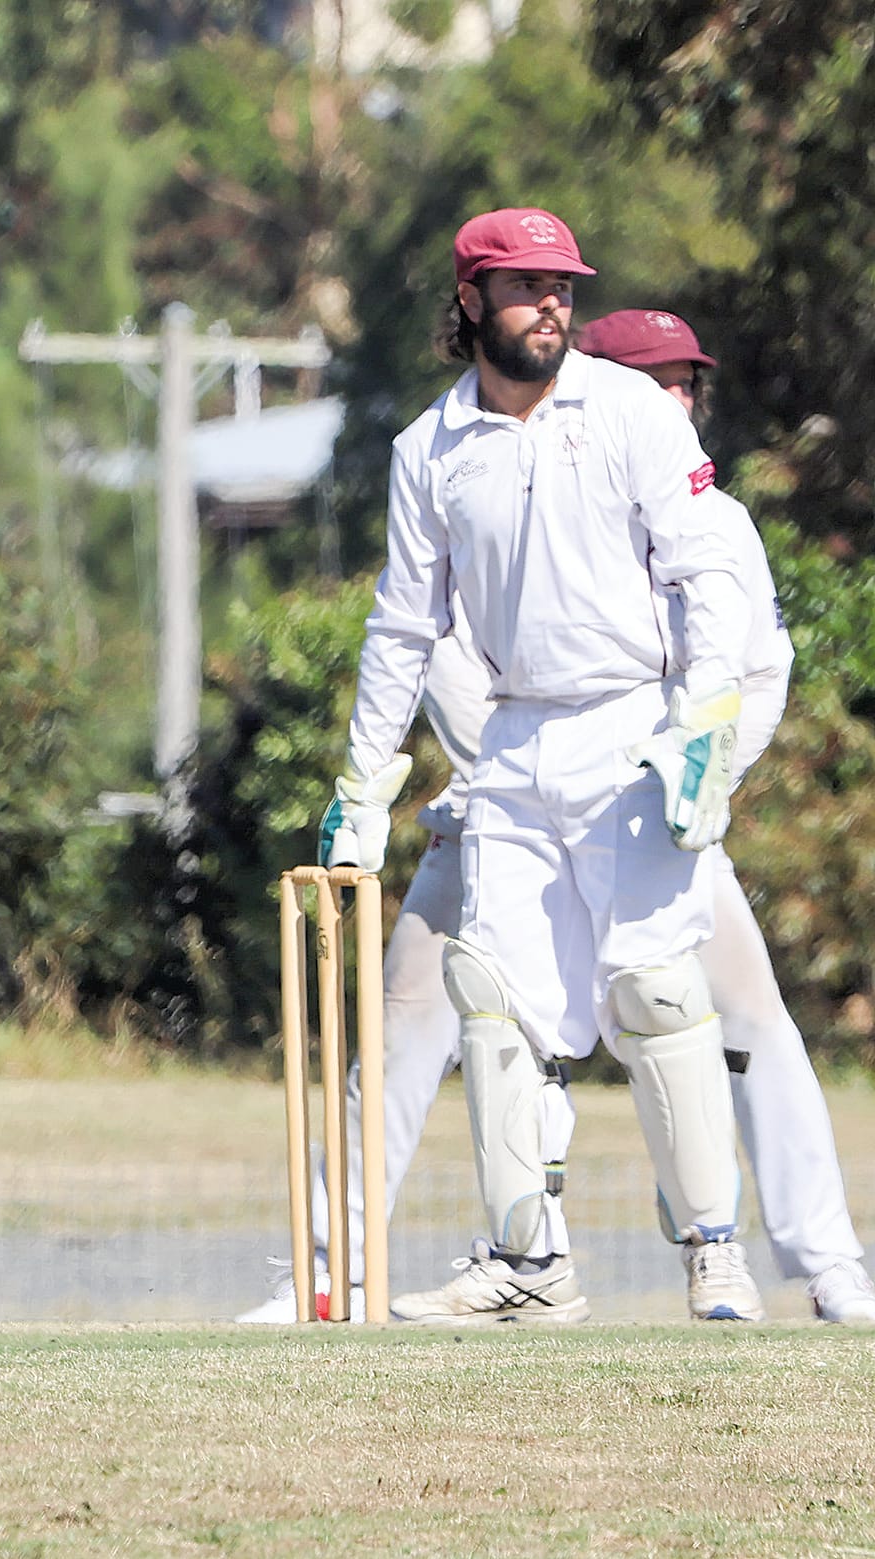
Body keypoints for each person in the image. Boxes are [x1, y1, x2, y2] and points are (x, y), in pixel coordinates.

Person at [241, 307, 875, 1325]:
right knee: (423, 1025)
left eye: (685, 384)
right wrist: (483, 773)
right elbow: (432, 643)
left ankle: (820, 1263)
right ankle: (344, 1268)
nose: (673, 401)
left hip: (653, 809)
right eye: (650, 379)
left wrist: (700, 776)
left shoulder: (710, 516)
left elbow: (756, 668)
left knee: (732, 1025)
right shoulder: (497, 469)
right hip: (492, 808)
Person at [315, 208, 766, 1326]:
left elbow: (707, 568)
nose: (549, 305)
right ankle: (529, 1262)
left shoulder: (626, 412)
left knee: (656, 990)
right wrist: (362, 781)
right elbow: (401, 626)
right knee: (495, 1001)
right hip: (511, 740)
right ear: (467, 301)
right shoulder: (426, 450)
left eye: (561, 285)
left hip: (632, 727)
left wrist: (704, 720)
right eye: (522, 286)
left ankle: (714, 1250)